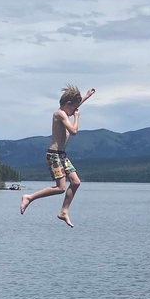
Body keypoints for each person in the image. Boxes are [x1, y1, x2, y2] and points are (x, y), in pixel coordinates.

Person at [19, 84, 96, 227]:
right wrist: (77, 118)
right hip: (54, 156)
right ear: (68, 104)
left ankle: (63, 211)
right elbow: (73, 131)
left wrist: (86, 96)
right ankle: (29, 197)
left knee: (76, 182)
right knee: (60, 188)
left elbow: (75, 105)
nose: (74, 111)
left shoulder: (66, 110)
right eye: (73, 108)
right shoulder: (59, 114)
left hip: (62, 155)